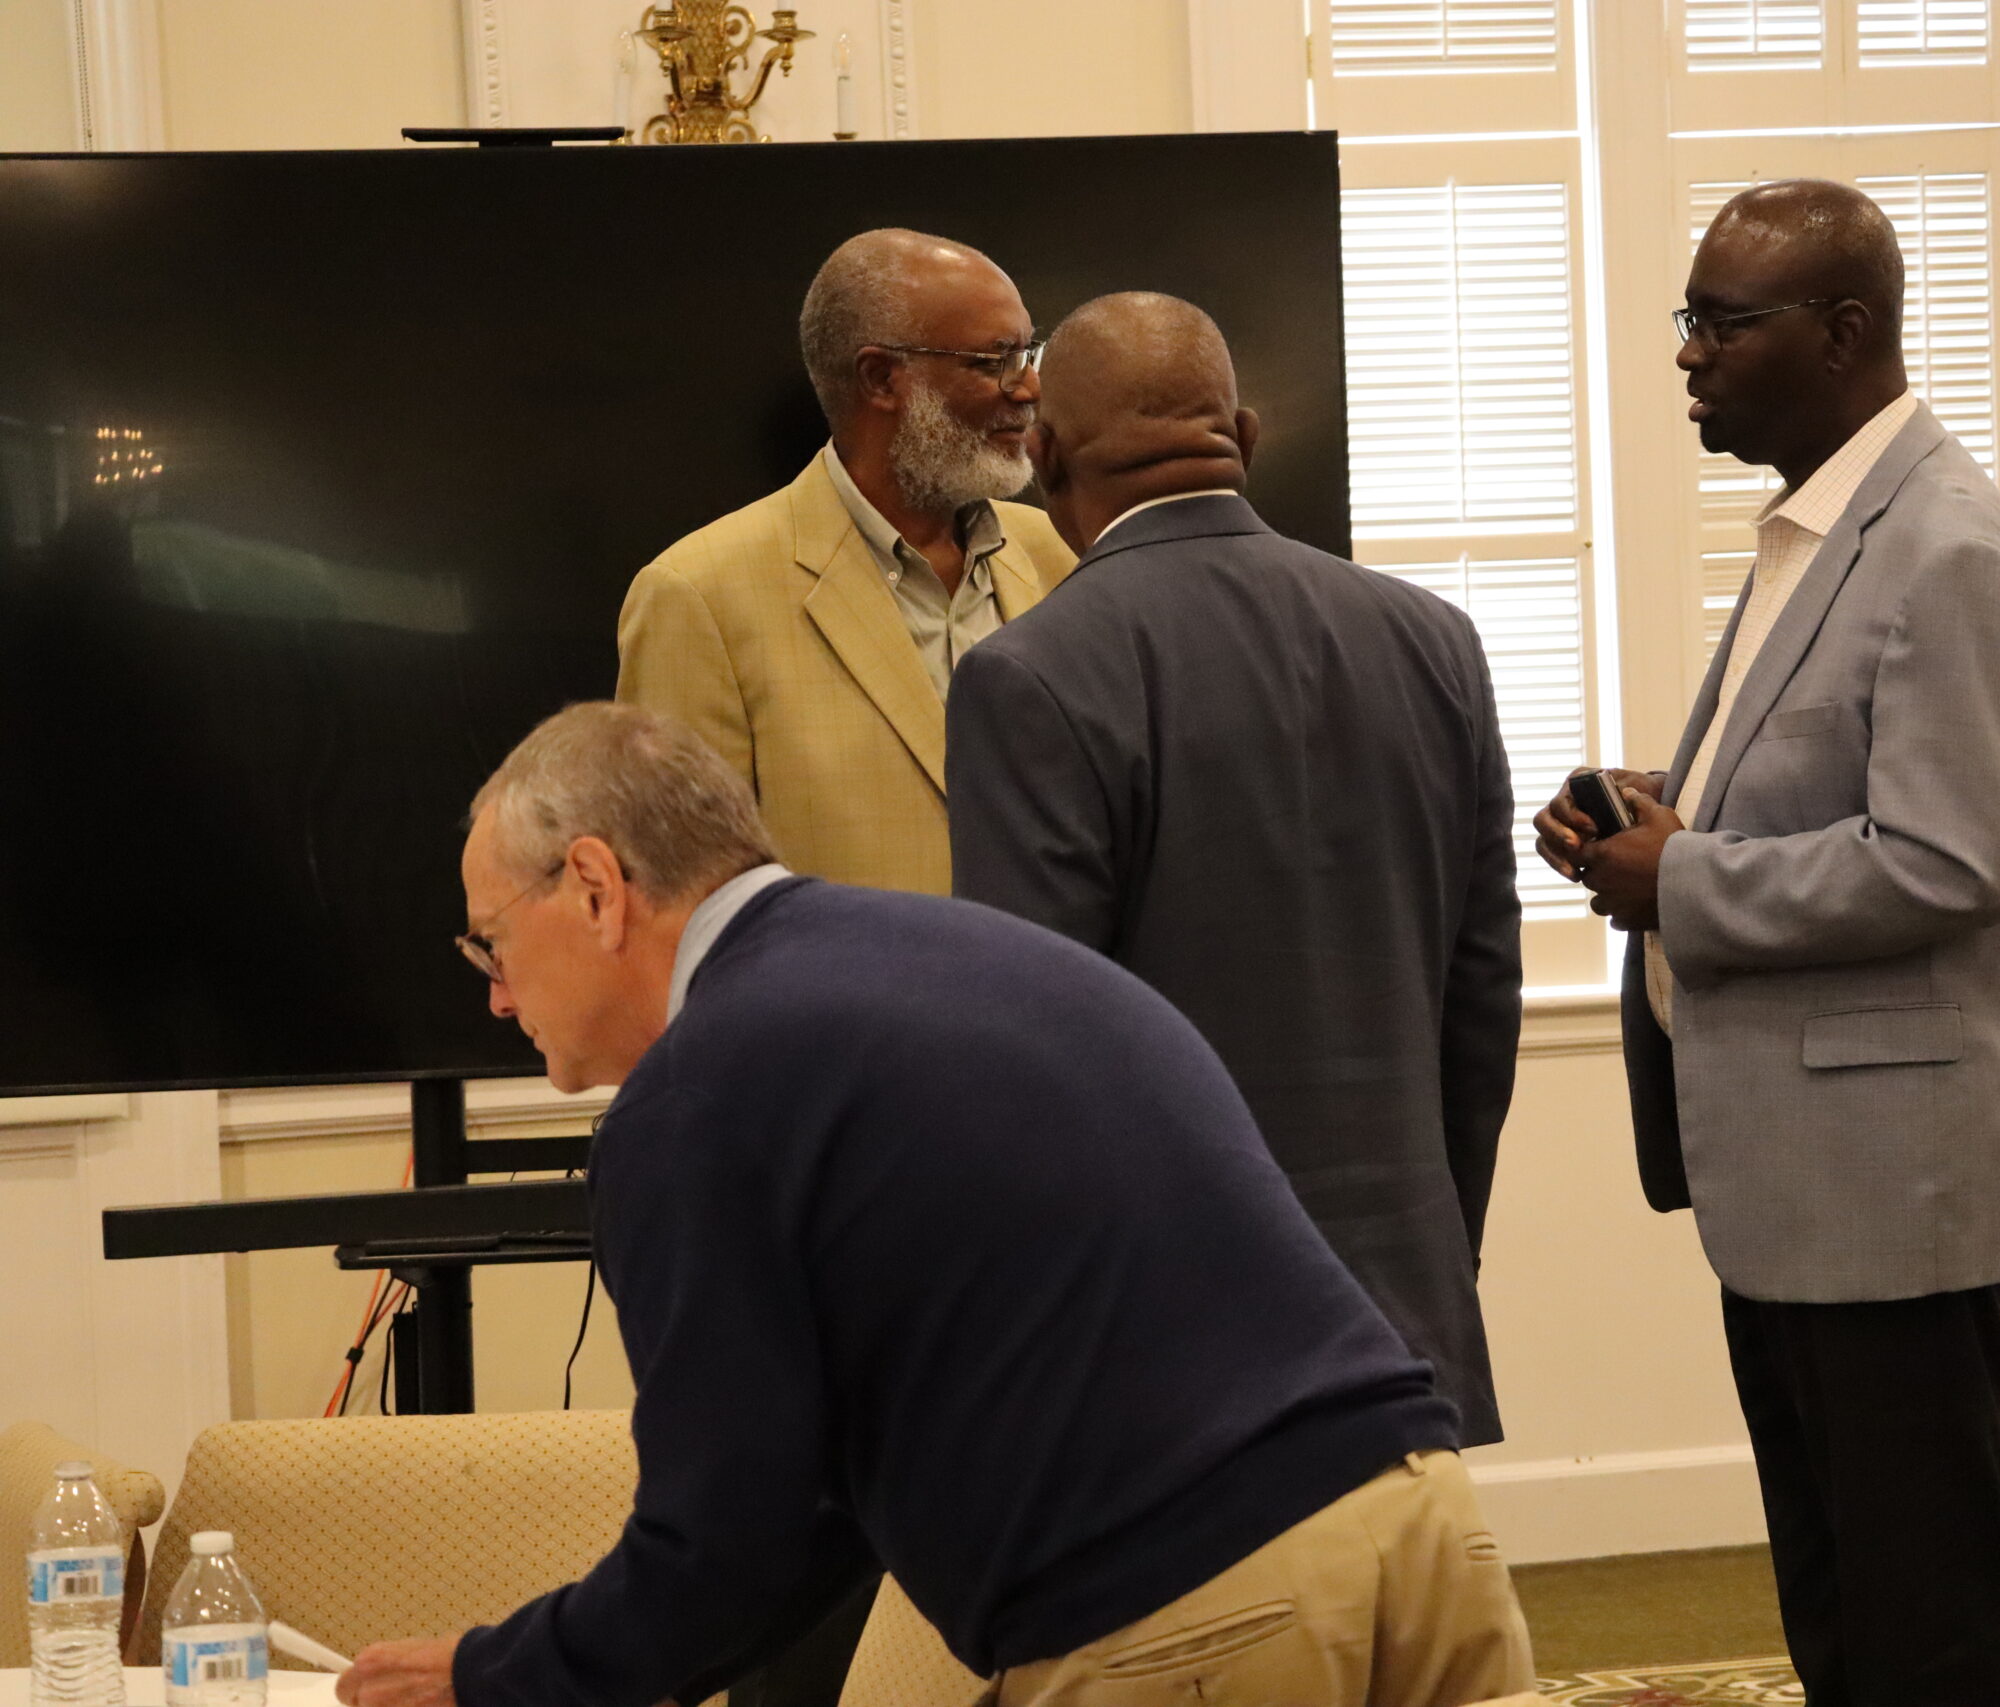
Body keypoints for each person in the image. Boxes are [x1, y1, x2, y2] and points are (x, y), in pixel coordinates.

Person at [335, 702, 1536, 1707]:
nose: (497, 999)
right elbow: (809, 1509)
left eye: (490, 944)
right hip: (1423, 1525)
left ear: (595, 887)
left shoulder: (694, 1098)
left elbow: (721, 1539)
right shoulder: (965, 955)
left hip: (1192, 1606)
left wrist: (496, 1677)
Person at [1533, 180, 2000, 1706]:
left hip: (1887, 1179)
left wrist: (1683, 877)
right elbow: (1826, 785)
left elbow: (1948, 858)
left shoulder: (1943, 544)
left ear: (1843, 332)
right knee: (1845, 1600)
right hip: (1804, 1167)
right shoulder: (1824, 524)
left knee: (1927, 1618)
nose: (1689, 353)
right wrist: (1658, 810)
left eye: (1723, 323)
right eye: (1691, 319)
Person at [944, 292, 1522, 1448]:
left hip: (1164, 1339)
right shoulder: (1433, 640)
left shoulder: (1029, 676)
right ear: (1244, 438)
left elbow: (1034, 1055)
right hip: (1402, 1307)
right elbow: (1480, 995)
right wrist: (1434, 1245)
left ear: (1043, 460)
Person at [617, 227, 1077, 893]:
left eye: (1028, 353)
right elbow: (679, 891)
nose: (1029, 387)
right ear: (881, 379)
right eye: (993, 362)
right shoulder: (698, 595)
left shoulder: (1058, 552)